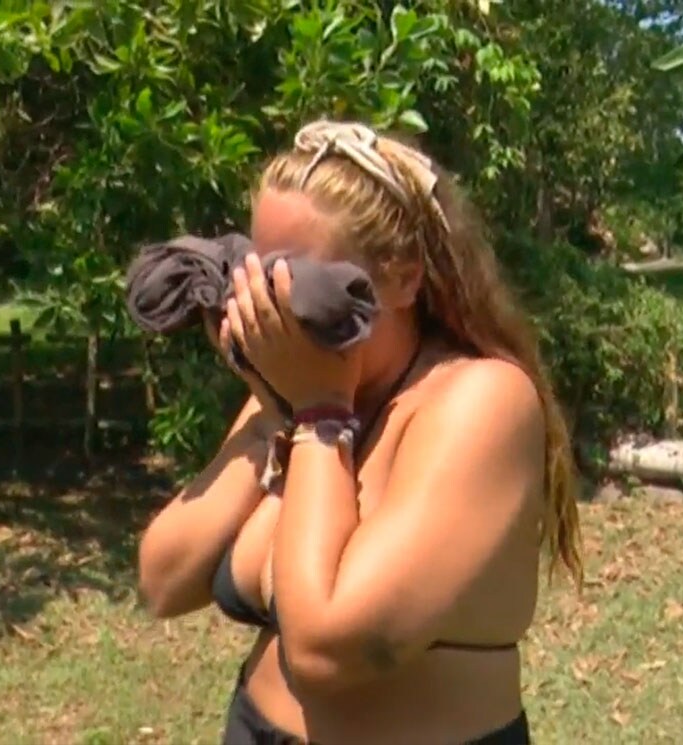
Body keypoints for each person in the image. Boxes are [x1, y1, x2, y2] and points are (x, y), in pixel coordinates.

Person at [137, 120, 583, 744]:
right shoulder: (296, 384)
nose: (272, 302)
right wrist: (274, 411)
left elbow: (326, 651)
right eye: (259, 273)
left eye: (297, 279)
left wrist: (320, 414)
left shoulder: (480, 399)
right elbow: (163, 580)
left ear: (402, 277)